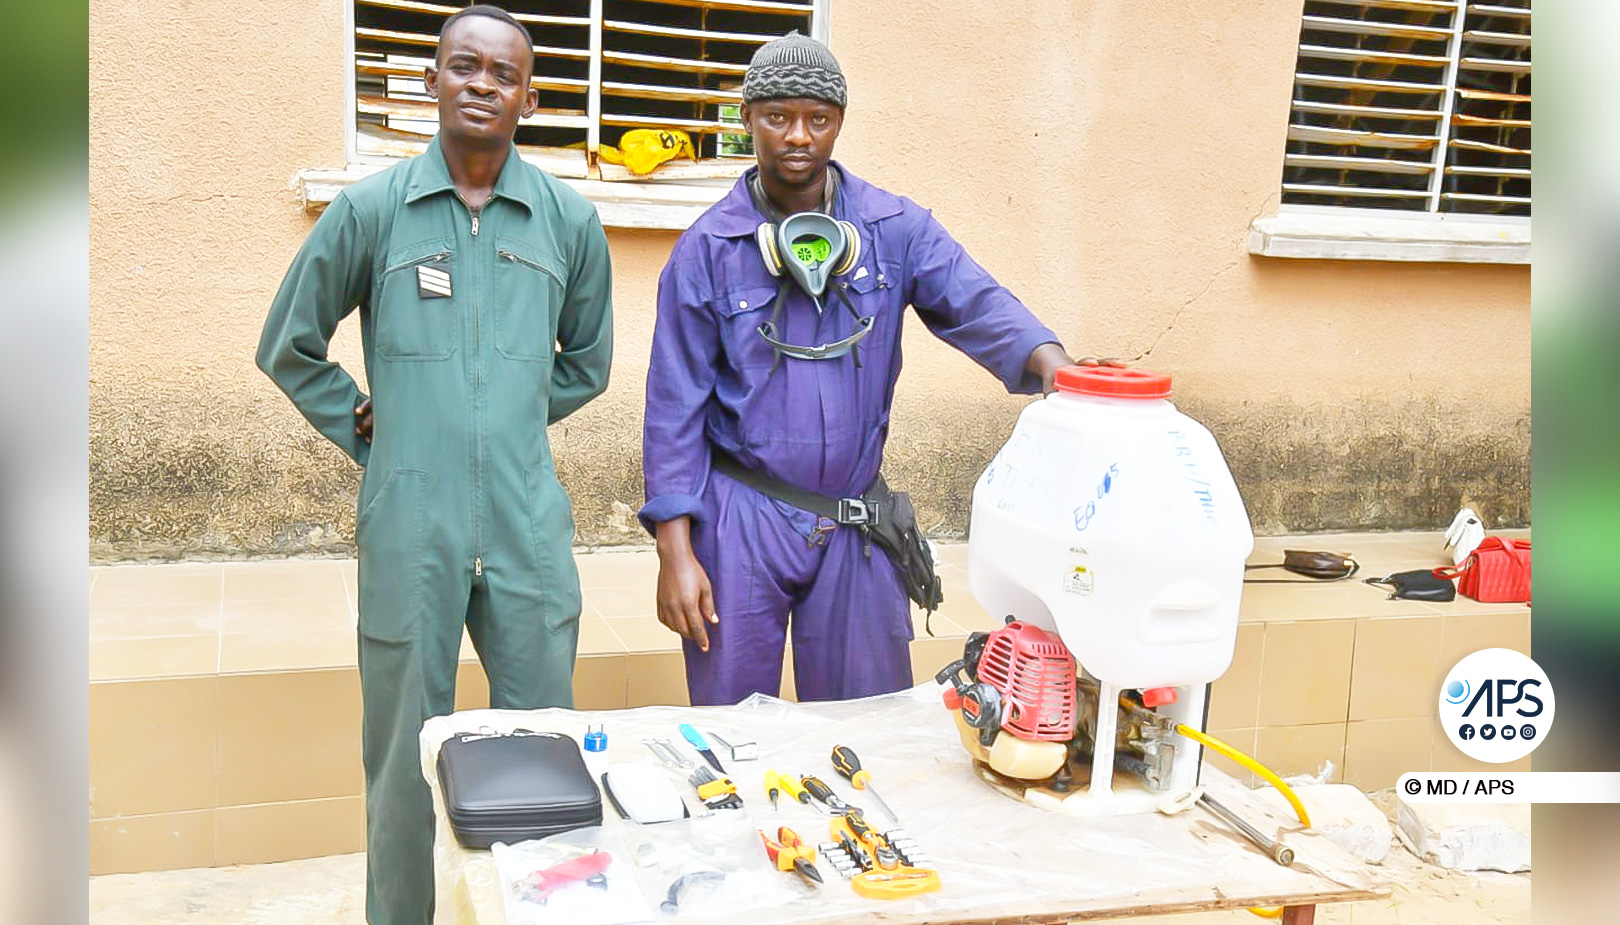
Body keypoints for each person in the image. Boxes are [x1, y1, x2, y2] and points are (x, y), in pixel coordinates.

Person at [255, 6, 612, 923]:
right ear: (431, 81)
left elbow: (587, 363)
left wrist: (504, 420)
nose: (482, 84)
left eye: (503, 74)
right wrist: (374, 422)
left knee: (544, 746)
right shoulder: (372, 210)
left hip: (529, 524)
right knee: (405, 756)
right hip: (411, 521)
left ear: (530, 97)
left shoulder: (568, 220)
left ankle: (538, 910)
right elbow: (290, 345)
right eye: (464, 66)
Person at [641, 31, 1117, 707]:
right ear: (746, 118)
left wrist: (1056, 367)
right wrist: (676, 550)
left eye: (819, 118)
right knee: (734, 727)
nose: (798, 136)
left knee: (871, 724)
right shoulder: (706, 250)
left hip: (854, 519)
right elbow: (673, 409)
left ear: (839, 122)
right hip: (740, 520)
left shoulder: (894, 227)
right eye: (777, 116)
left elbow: (974, 298)